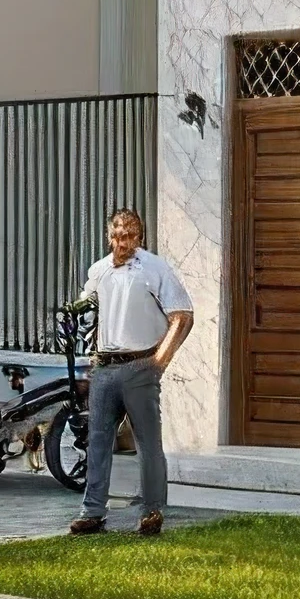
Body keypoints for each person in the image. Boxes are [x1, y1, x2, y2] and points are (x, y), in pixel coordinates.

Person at [71, 204, 192, 534]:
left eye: (130, 236)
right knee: (97, 441)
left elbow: (182, 315)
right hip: (105, 367)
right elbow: (87, 310)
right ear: (108, 236)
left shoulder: (155, 269)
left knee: (147, 443)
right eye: (118, 235)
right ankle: (92, 510)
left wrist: (158, 363)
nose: (123, 242)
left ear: (140, 237)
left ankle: (152, 510)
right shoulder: (99, 270)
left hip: (141, 364)